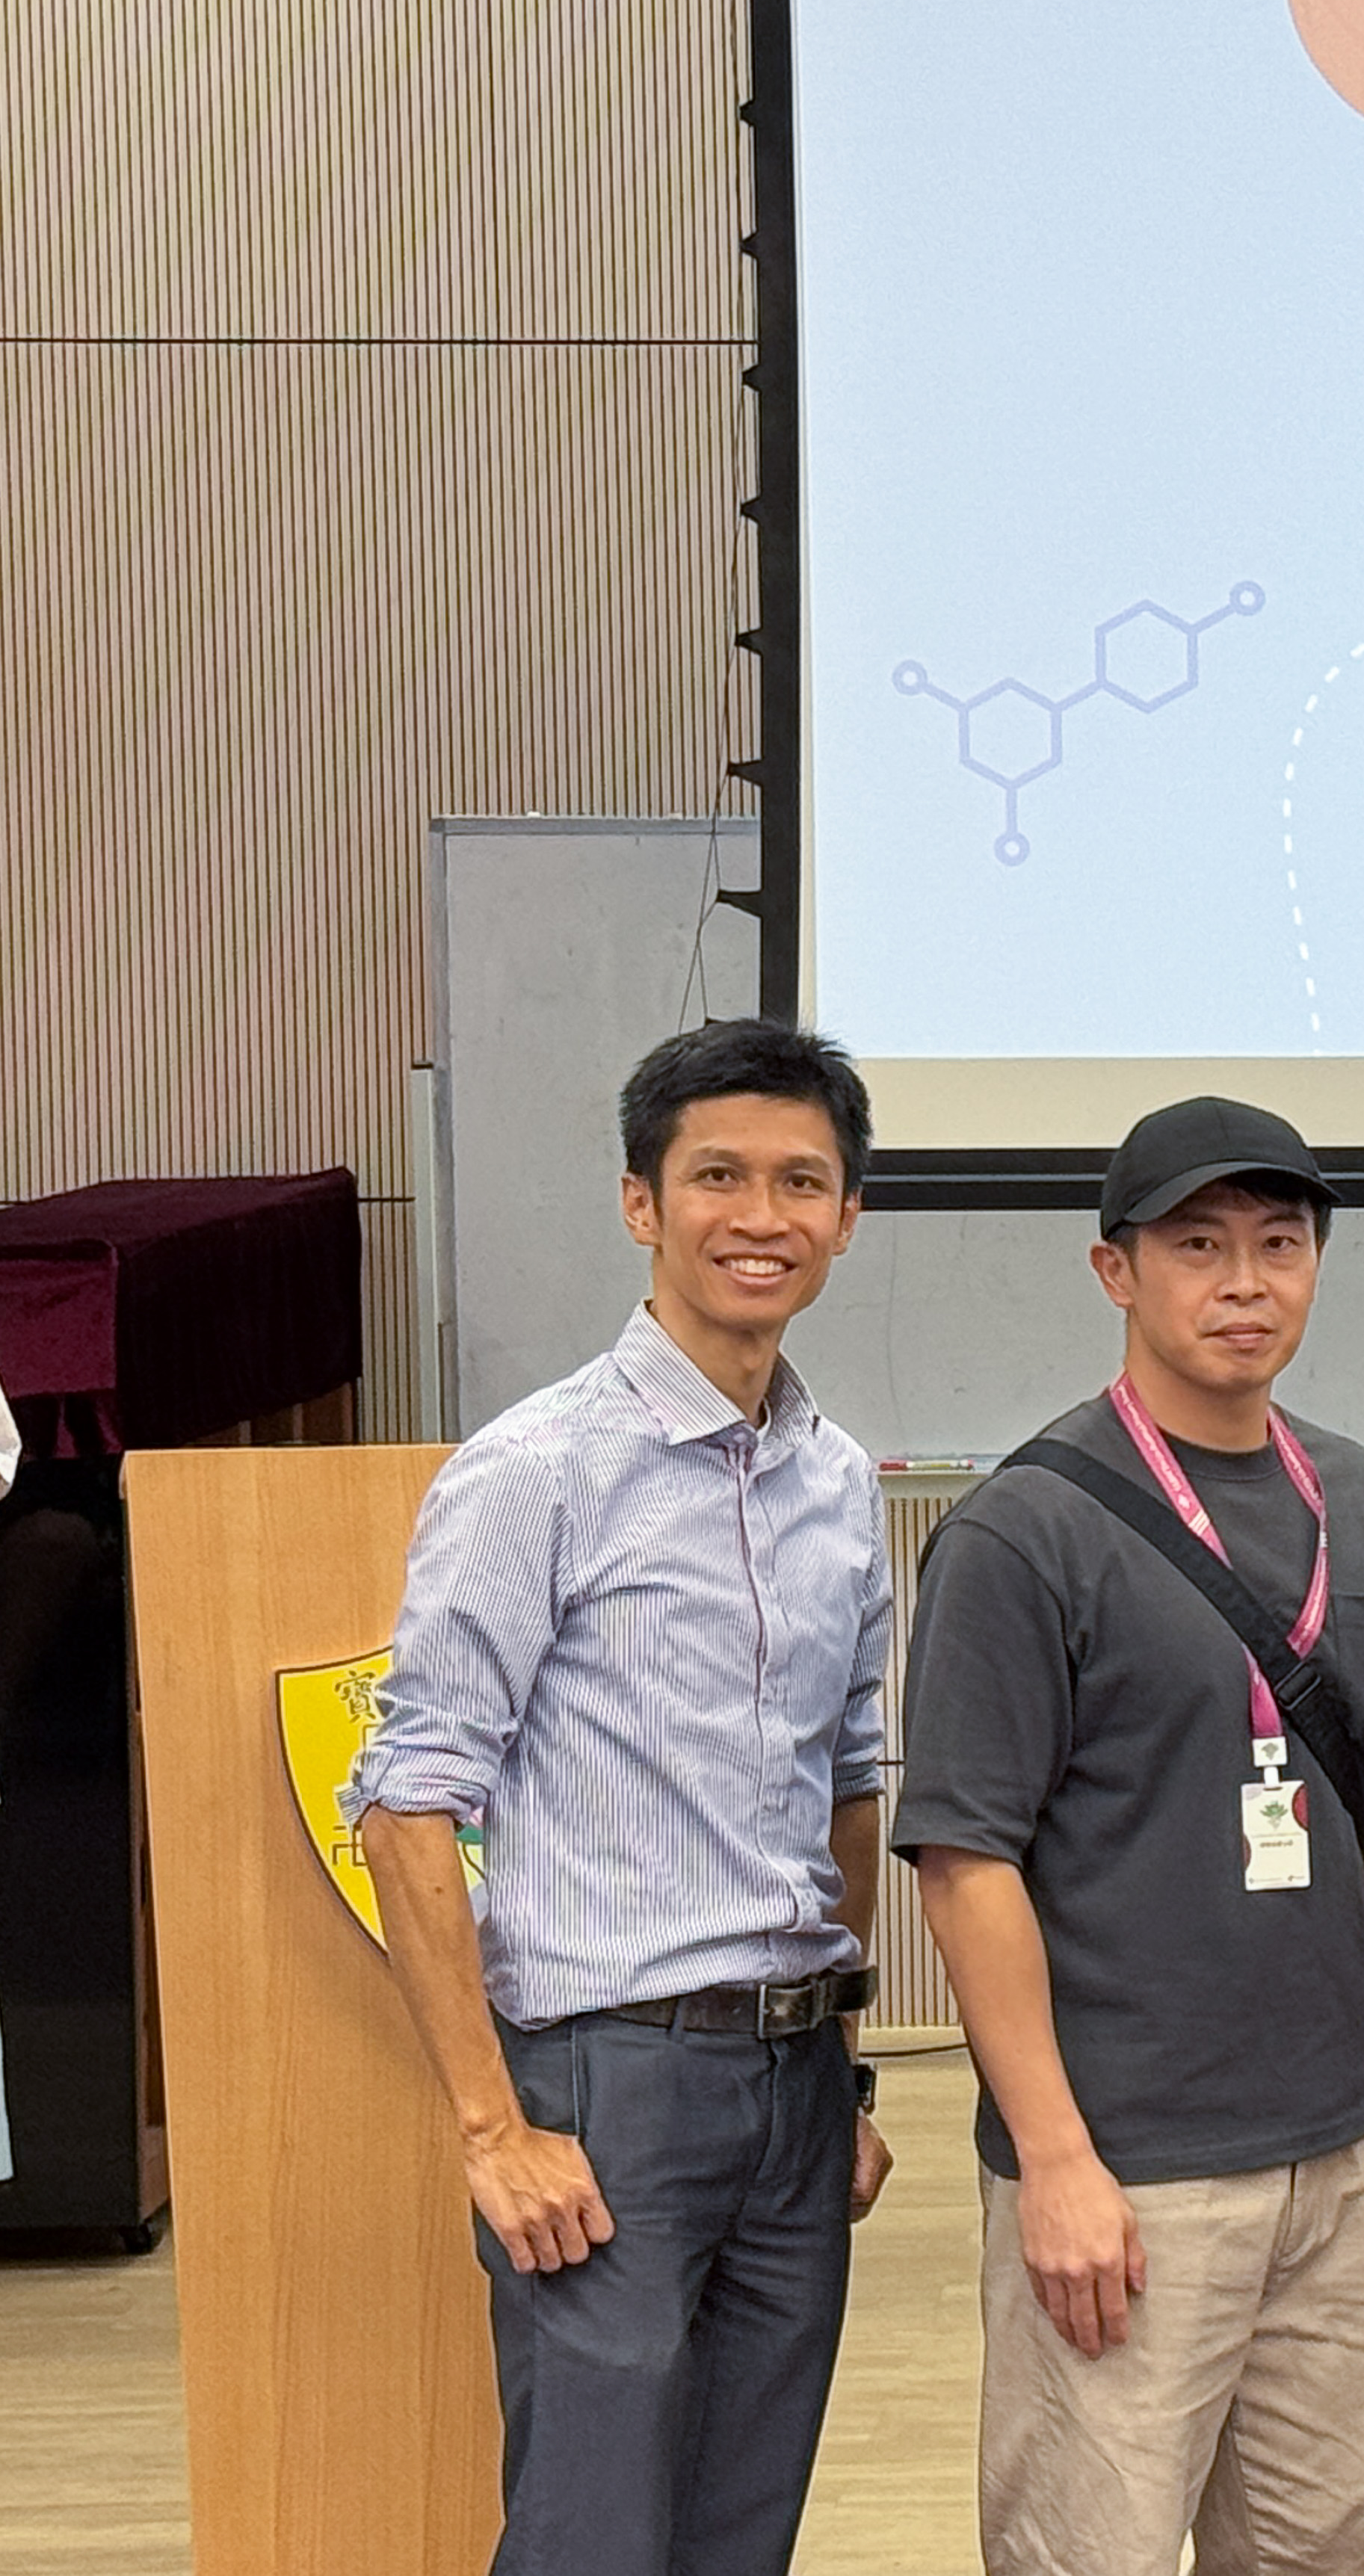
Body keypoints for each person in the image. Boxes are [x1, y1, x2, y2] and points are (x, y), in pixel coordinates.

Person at [341, 1017, 896, 2576]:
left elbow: (848, 1787)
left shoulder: (842, 1482)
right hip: (604, 2088)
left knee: (740, 2538)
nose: (762, 1216)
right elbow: (406, 1803)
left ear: (848, 1216)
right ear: (642, 1202)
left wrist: (847, 2085)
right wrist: (489, 2128)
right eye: (718, 1175)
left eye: (802, 1182)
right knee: (593, 2540)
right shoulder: (539, 1469)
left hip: (796, 2090)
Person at [895, 1098, 1364, 2576]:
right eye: (1198, 1246)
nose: (1244, 1282)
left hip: (1334, 2155)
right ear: (1116, 1272)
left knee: (1331, 2555)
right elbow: (966, 1863)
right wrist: (1055, 2159)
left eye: (1279, 1245)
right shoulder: (1025, 1528)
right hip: (1127, 2167)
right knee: (1091, 2552)